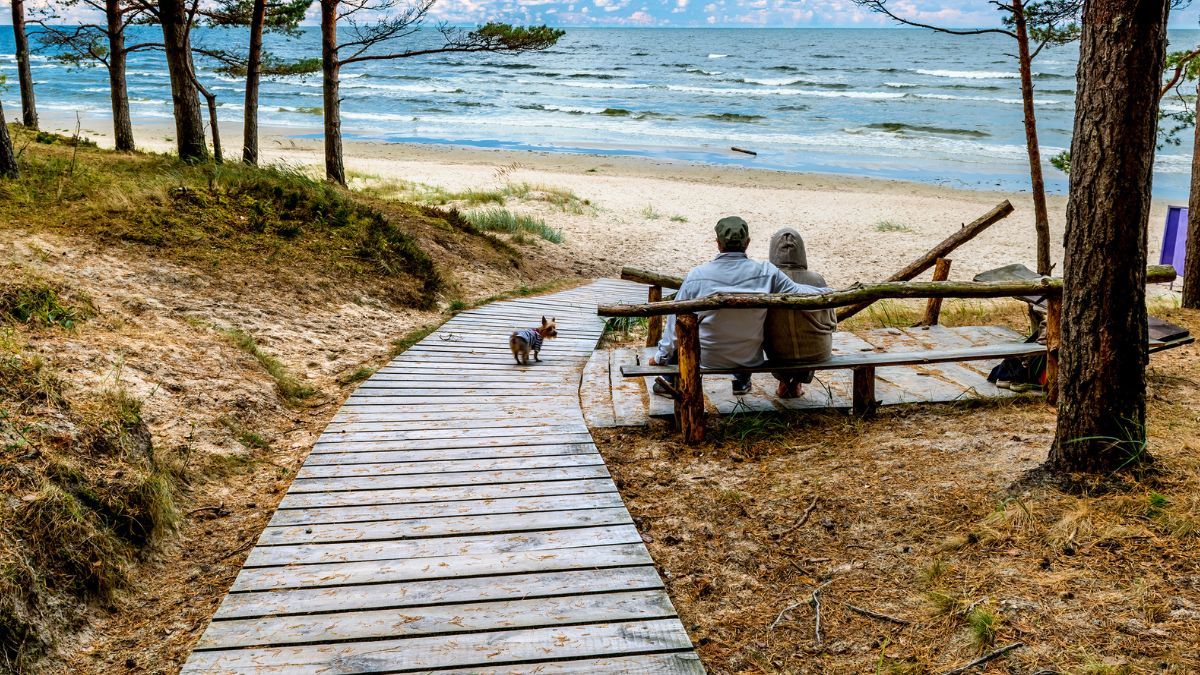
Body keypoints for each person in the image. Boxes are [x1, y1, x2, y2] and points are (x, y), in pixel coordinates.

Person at [650, 216, 830, 396]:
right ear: (748, 242)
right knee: (742, 329)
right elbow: (801, 292)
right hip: (749, 359)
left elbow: (674, 322)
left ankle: (670, 380)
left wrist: (661, 356)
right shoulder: (766, 272)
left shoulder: (697, 275)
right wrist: (834, 292)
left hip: (708, 359)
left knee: (678, 342)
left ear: (718, 243)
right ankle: (742, 381)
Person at [764, 227, 837, 398]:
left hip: (778, 354)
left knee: (774, 335)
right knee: (814, 335)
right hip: (816, 353)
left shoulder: (766, 280)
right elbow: (831, 322)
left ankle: (783, 382)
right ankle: (797, 383)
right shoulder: (816, 279)